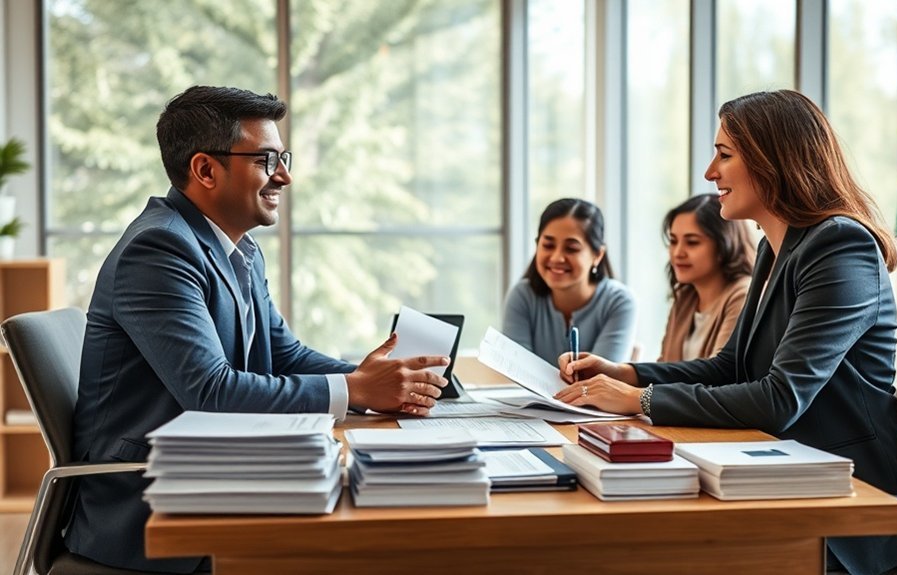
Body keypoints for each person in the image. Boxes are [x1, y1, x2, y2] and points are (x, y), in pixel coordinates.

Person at [66, 86, 449, 573]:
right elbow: (210, 391)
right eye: (267, 160)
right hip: (149, 505)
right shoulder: (159, 250)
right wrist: (355, 388)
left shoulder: (238, 248)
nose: (285, 176)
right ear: (206, 170)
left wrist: (377, 380)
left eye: (283, 158)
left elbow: (285, 354)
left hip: (220, 475)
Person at [554, 90, 897, 575]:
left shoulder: (841, 247)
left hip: (843, 501)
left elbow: (780, 399)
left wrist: (639, 400)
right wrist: (628, 373)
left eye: (724, 155)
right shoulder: (775, 248)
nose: (710, 172)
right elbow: (732, 366)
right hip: (776, 470)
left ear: (772, 160)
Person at [502, 198, 636, 366]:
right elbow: (515, 368)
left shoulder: (619, 301)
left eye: (571, 249)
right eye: (548, 245)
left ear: (597, 255)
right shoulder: (522, 296)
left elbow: (601, 375)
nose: (557, 257)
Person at [658, 193, 754, 361]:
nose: (678, 253)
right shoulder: (684, 297)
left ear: (724, 244)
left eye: (692, 242)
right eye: (673, 241)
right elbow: (663, 367)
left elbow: (719, 372)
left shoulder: (743, 295)